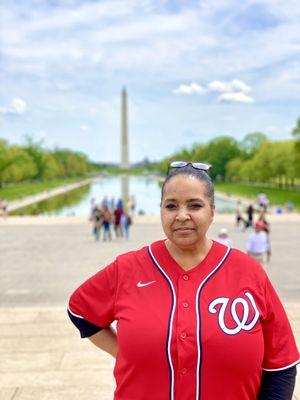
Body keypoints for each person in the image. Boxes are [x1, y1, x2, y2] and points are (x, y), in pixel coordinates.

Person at [68, 161, 299, 399]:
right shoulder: (128, 269)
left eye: (195, 205)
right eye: (171, 206)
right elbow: (80, 311)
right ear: (161, 210)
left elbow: (281, 364)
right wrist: (122, 352)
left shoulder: (248, 272)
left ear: (212, 211)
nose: (181, 216)